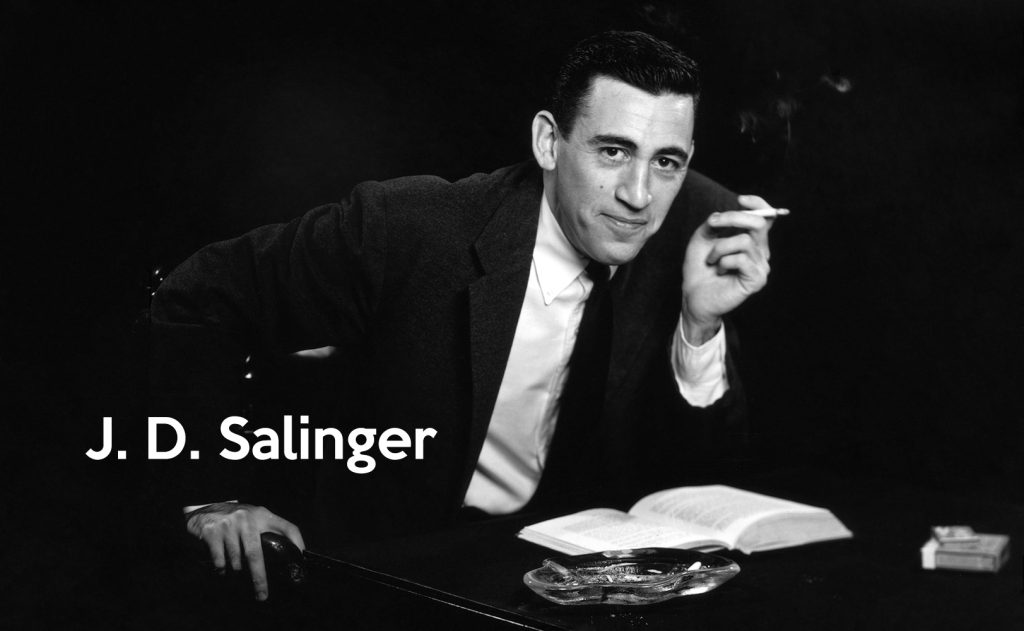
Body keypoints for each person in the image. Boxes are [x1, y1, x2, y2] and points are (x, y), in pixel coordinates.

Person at [150, 30, 778, 601]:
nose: (639, 196)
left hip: (565, 584)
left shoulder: (690, 239)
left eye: (666, 162)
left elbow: (704, 485)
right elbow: (196, 299)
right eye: (613, 151)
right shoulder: (411, 228)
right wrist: (213, 498)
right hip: (378, 574)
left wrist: (699, 328)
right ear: (548, 142)